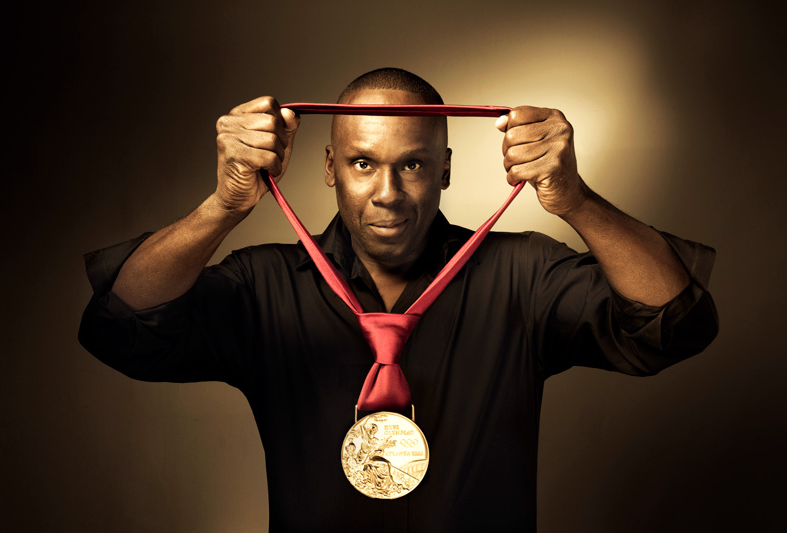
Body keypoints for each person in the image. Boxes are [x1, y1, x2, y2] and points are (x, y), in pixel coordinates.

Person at [79, 68, 718, 531]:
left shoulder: (522, 272)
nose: (387, 192)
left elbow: (675, 324)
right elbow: (123, 325)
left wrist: (573, 198)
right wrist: (225, 204)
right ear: (329, 166)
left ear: (444, 169)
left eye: (411, 165)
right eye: (362, 164)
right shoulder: (265, 284)